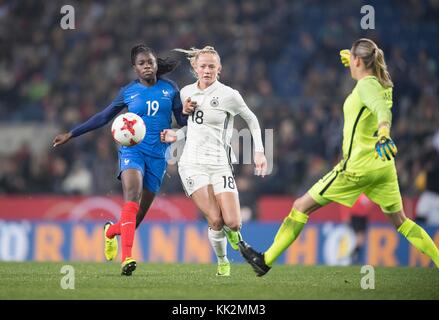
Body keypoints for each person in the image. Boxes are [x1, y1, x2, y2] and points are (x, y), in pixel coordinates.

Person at [239, 38, 439, 276]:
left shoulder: (366, 86)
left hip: (357, 167)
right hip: (383, 166)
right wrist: (354, 64)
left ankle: (265, 260)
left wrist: (385, 132)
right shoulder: (384, 84)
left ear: (357, 61)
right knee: (402, 222)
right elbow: (379, 101)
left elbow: (381, 111)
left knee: (300, 206)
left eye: (353, 60)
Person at [53, 45, 187, 276]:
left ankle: (110, 232)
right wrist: (72, 133)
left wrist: (190, 112)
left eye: (150, 62)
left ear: (156, 64)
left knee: (136, 218)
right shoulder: (128, 92)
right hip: (132, 150)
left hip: (159, 155)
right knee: (131, 196)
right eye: (142, 63)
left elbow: (182, 120)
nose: (147, 66)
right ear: (134, 68)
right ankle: (127, 258)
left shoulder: (171, 89)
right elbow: (103, 117)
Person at [161, 46, 267, 276]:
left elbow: (252, 119)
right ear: (195, 68)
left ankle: (236, 238)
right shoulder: (186, 93)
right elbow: (187, 126)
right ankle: (223, 262)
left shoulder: (229, 95)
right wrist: (175, 133)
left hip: (220, 164)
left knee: (234, 223)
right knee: (216, 221)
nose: (207, 70)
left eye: (211, 66)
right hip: (192, 164)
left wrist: (259, 151)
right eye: (203, 66)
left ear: (219, 69)